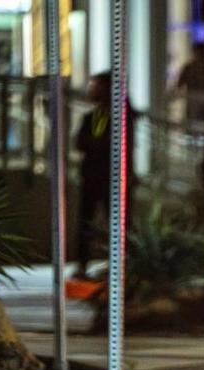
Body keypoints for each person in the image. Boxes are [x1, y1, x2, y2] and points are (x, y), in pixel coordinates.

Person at [74, 72, 137, 279]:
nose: (92, 89)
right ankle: (84, 264)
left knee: (117, 224)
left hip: (112, 177)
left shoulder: (121, 115)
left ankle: (120, 265)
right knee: (87, 222)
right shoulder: (95, 115)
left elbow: (116, 145)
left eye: (97, 85)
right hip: (93, 176)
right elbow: (81, 142)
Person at [174, 42, 204, 124]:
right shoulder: (192, 68)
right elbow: (179, 84)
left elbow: (179, 85)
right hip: (197, 103)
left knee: (199, 126)